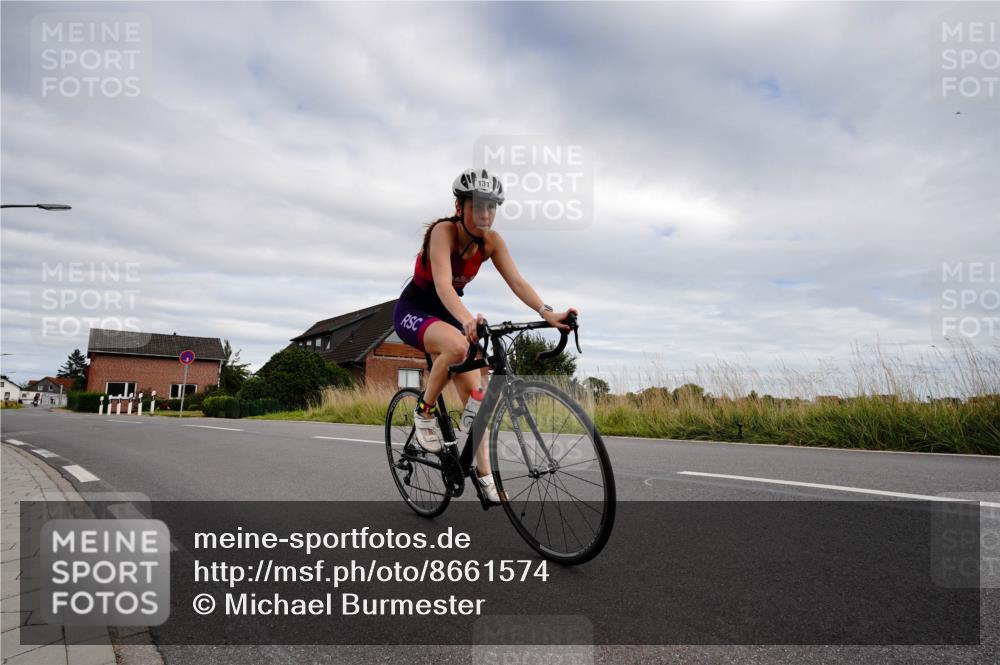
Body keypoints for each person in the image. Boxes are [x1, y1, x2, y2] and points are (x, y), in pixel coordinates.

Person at [392, 168, 576, 503]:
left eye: (492, 207)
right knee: (458, 346)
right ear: (459, 207)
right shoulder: (443, 232)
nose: (486, 214)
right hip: (414, 310)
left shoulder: (492, 242)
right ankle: (424, 410)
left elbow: (518, 283)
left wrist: (547, 313)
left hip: (449, 314)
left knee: (479, 397)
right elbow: (444, 285)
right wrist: (466, 321)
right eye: (478, 206)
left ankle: (484, 475)